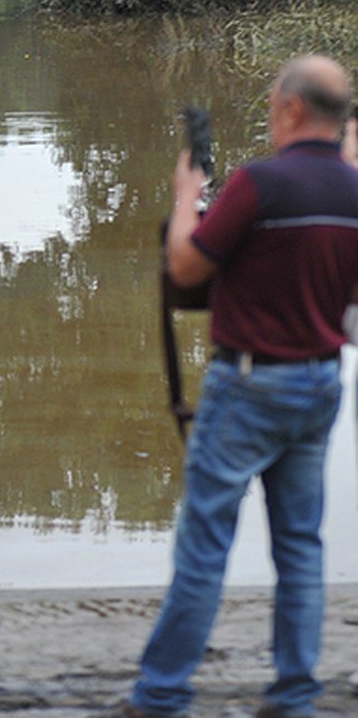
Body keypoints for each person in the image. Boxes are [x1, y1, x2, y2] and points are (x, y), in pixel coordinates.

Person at [109, 55, 358, 718]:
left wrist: (187, 199)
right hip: (321, 382)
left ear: (294, 110)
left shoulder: (258, 184)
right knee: (300, 546)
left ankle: (160, 695)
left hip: (249, 384)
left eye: (275, 99)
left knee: (204, 545)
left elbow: (187, 264)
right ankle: (296, 694)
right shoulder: (354, 191)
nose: (272, 109)